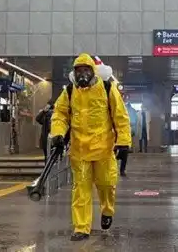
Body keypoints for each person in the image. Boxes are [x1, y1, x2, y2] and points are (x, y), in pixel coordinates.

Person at [49, 54, 132, 241]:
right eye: (78, 70)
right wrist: (58, 134)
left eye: (86, 70)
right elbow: (60, 114)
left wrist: (123, 142)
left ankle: (107, 210)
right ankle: (81, 227)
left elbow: (120, 116)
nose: (82, 74)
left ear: (93, 71)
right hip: (79, 151)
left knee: (107, 184)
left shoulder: (107, 88)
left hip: (104, 149)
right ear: (74, 72)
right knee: (81, 190)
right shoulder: (69, 91)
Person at [119, 101, 137, 177]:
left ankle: (122, 170)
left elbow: (134, 121)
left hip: (124, 136)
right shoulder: (120, 110)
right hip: (120, 135)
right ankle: (121, 170)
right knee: (121, 155)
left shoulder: (131, 111)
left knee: (124, 155)